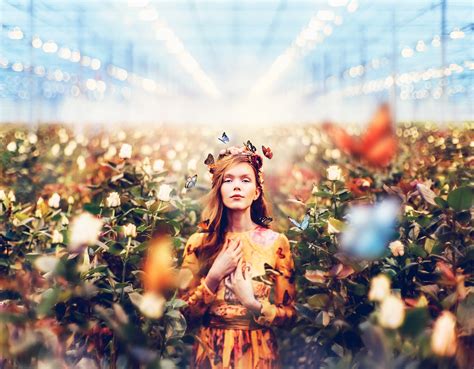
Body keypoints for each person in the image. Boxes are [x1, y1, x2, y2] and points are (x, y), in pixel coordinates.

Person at [179, 144, 296, 369]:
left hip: (258, 353)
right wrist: (212, 279)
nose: (236, 187)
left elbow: (290, 317)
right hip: (210, 352)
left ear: (257, 191)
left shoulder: (276, 243)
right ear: (219, 188)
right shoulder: (199, 243)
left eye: (245, 180)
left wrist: (253, 304)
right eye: (228, 180)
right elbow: (182, 316)